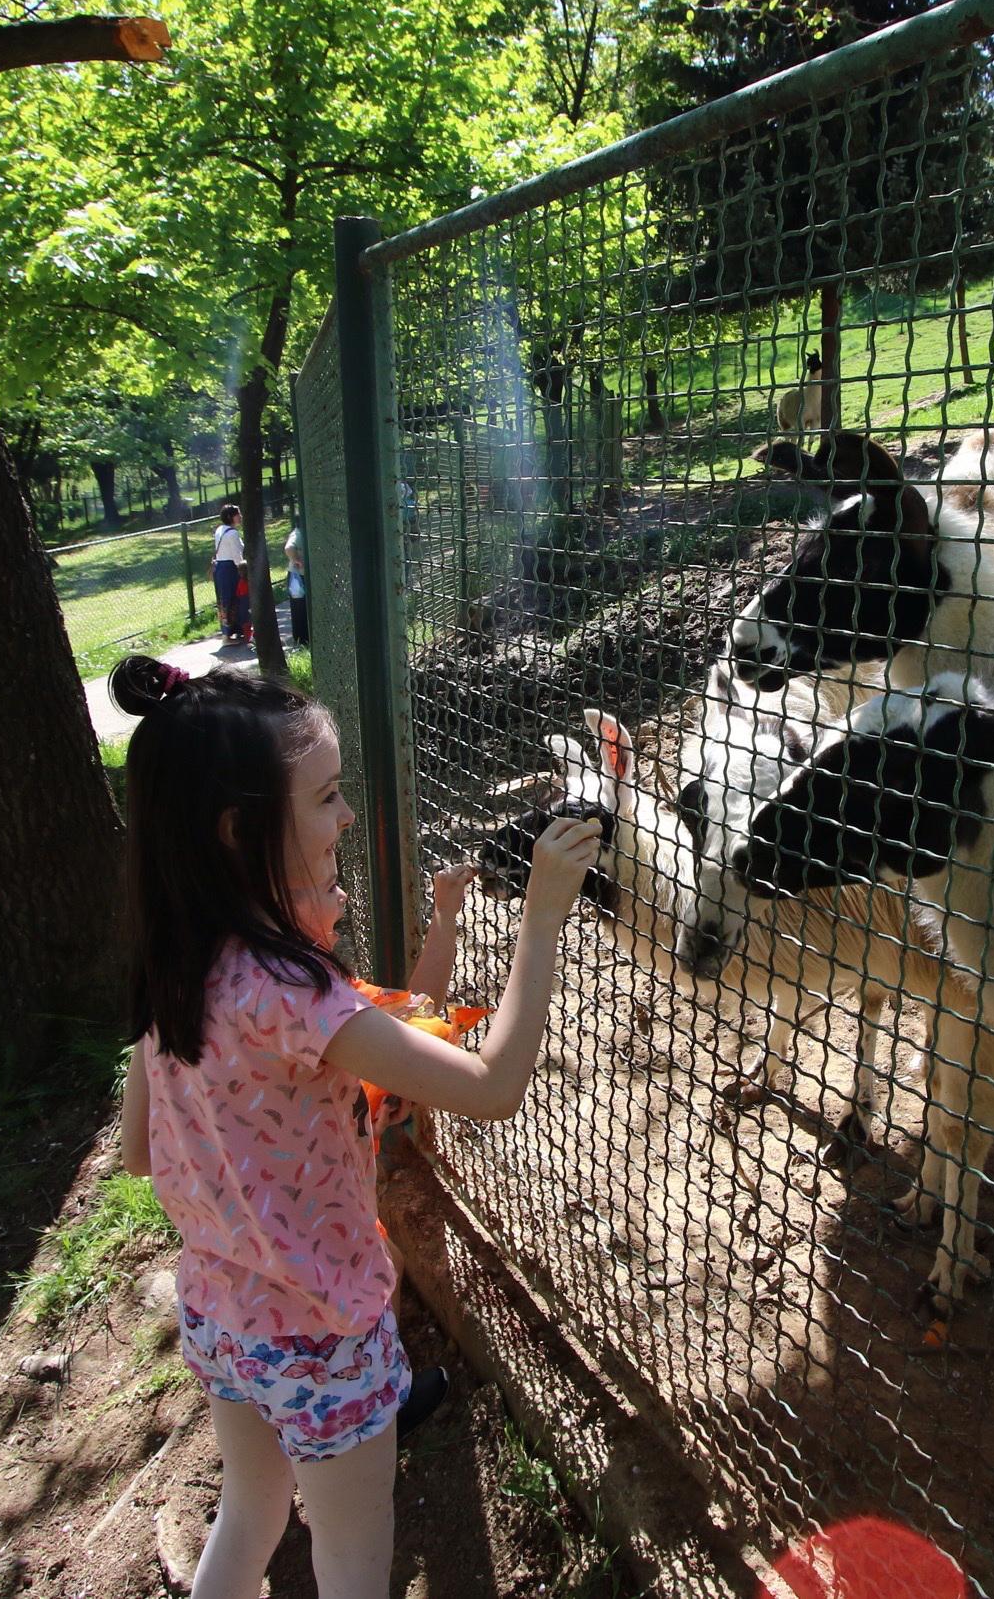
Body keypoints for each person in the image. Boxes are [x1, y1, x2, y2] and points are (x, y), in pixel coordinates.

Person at [109, 655, 598, 1599]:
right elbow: (493, 1083)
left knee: (248, 1514)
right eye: (328, 796)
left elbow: (139, 1152)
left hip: (221, 1314)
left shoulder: (172, 962)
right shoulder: (299, 995)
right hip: (323, 1339)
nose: (342, 819)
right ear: (239, 830)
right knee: (351, 1565)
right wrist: (540, 916)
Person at [210, 504, 249, 644]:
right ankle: (230, 634)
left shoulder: (220, 529)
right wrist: (245, 569)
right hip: (231, 569)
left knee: (225, 600)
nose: (240, 517)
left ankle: (230, 632)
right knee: (235, 599)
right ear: (230, 517)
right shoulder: (232, 533)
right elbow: (237, 556)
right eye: (237, 514)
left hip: (221, 568)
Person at [284, 523, 311, 649]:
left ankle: (303, 640)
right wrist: (297, 560)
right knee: (300, 608)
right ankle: (302, 641)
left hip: (299, 576)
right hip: (298, 577)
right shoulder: (298, 533)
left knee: (301, 608)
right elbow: (289, 548)